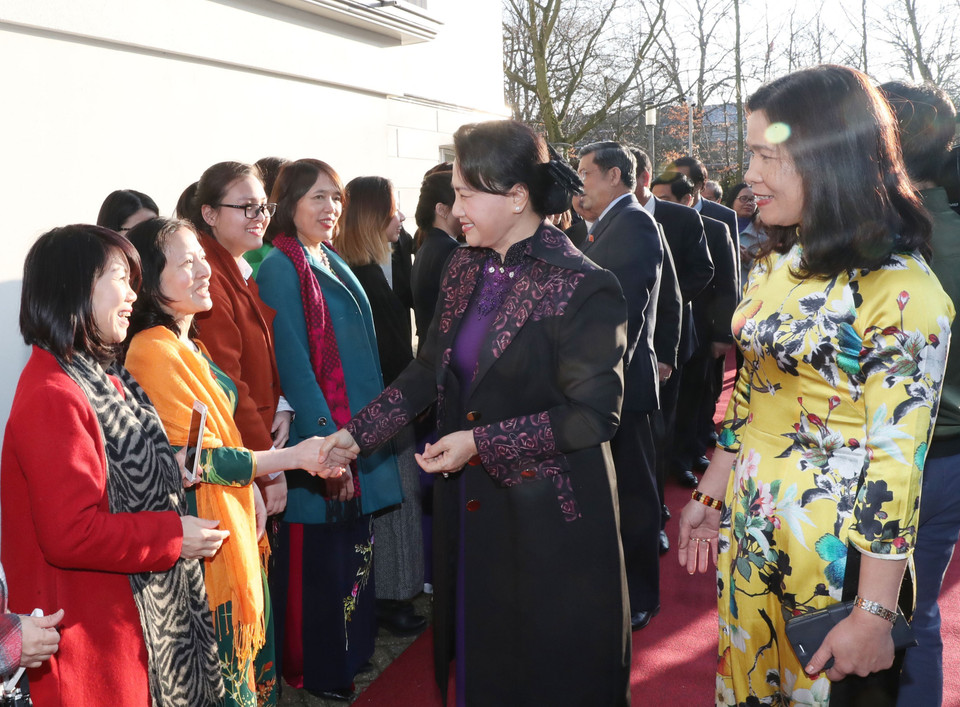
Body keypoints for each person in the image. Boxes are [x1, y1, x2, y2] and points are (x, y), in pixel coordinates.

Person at [320, 120, 631, 706]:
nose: (454, 206)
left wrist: (479, 442)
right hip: (476, 509)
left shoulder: (583, 285)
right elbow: (426, 372)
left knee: (546, 669)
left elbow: (593, 416)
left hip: (552, 518)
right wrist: (355, 437)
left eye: (466, 193)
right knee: (483, 659)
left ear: (516, 197)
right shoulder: (465, 266)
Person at [678, 65, 954, 706]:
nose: (750, 175)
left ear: (830, 160)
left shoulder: (903, 291)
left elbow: (896, 465)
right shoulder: (781, 260)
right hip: (755, 527)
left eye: (766, 156)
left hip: (834, 560)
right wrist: (712, 493)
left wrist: (875, 613)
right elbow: (752, 386)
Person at [124, 217, 347, 707]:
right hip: (202, 543)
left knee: (249, 672)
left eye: (202, 257)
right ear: (150, 282)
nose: (204, 270)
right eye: (186, 263)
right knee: (225, 681)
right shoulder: (151, 351)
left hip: (233, 526)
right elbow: (198, 459)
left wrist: (253, 490)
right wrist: (290, 459)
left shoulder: (189, 343)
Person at [1, 224, 226, 706]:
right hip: (90, 644)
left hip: (123, 625)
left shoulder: (102, 375)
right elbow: (71, 534)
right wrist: (172, 535)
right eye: (120, 278)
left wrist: (169, 471)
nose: (132, 294)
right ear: (75, 288)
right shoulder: (52, 393)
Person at [256, 158, 403, 701]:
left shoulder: (327, 257)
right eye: (317, 197)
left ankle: (352, 652)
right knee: (318, 568)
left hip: (352, 437)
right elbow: (294, 366)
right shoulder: (279, 266)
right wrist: (328, 449)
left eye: (335, 197)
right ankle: (317, 669)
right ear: (288, 202)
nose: (330, 208)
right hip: (320, 448)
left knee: (351, 560)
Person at [880, 79, 960, 707]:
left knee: (849, 619)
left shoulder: (871, 246)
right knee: (919, 614)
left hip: (882, 464)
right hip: (950, 461)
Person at [577, 141, 664, 631]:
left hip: (621, 388)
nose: (580, 181)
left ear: (614, 176)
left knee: (633, 494)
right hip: (607, 385)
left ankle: (642, 597)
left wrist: (599, 383)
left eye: (586, 172)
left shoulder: (632, 223)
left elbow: (625, 314)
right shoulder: (607, 225)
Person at [335, 176, 427, 637]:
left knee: (400, 502)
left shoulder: (376, 263)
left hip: (390, 405)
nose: (402, 217)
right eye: (394, 210)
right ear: (373, 216)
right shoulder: (361, 272)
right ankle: (392, 596)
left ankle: (396, 592)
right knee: (395, 504)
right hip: (381, 409)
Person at [185, 162, 291, 522]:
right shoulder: (209, 279)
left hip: (256, 442)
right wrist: (271, 469)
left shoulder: (235, 266)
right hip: (238, 452)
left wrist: (281, 405)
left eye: (263, 207)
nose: (260, 216)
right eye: (247, 207)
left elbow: (259, 354)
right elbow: (229, 383)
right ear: (209, 214)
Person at [411, 168, 462, 340]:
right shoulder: (450, 250)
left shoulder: (427, 246)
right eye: (460, 201)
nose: (465, 210)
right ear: (441, 209)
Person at [725, 181, 766, 286]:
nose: (749, 203)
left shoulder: (764, 233)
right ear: (732, 201)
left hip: (749, 291)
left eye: (752, 200)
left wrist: (749, 260)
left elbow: (769, 269)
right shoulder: (720, 227)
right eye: (744, 199)